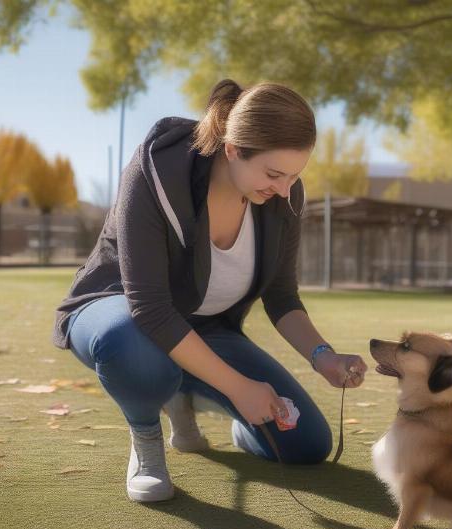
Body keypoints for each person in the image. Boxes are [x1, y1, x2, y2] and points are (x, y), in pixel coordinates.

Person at [52, 79, 368, 503]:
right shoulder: (154, 174)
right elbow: (150, 309)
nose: (285, 189)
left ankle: (190, 392)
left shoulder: (282, 196)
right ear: (233, 149)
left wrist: (323, 356)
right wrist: (239, 386)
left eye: (295, 175)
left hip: (205, 329)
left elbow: (282, 296)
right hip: (118, 313)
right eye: (274, 173)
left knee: (307, 444)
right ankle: (147, 441)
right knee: (129, 341)